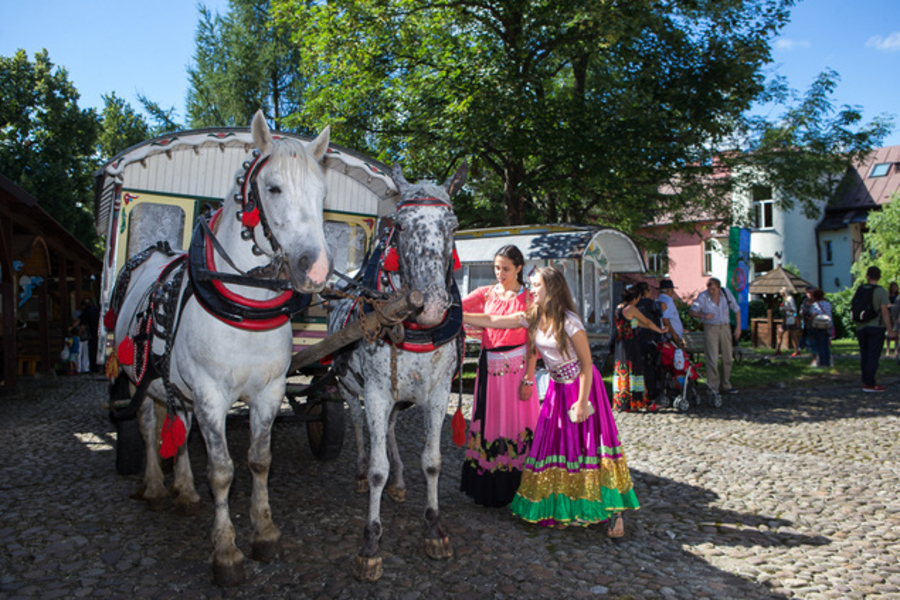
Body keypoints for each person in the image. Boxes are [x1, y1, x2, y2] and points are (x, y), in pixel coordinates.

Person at [463, 266, 640, 534]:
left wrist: (581, 402)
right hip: (558, 389)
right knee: (557, 447)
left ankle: (613, 513)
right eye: (532, 285)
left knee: (587, 447)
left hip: (582, 387)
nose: (531, 289)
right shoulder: (533, 315)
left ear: (551, 289)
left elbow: (586, 363)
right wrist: (458, 315)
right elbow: (495, 320)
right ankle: (564, 508)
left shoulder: (569, 321)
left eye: (536, 285)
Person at [459, 245, 541, 507]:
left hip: (517, 372)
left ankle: (517, 487)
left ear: (519, 268)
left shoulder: (529, 299)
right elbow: (457, 307)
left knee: (516, 425)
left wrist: (529, 378)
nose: (500, 273)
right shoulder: (485, 293)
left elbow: (532, 343)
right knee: (491, 424)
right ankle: (489, 488)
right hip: (489, 370)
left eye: (506, 268)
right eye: (496, 267)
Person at [613, 285, 668, 412]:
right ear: (636, 298)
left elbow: (635, 323)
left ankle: (622, 402)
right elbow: (646, 321)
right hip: (631, 344)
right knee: (634, 370)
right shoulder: (631, 308)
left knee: (623, 371)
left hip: (621, 344)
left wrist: (649, 327)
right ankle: (636, 401)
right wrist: (659, 330)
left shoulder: (618, 308)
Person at [688, 277, 741, 398]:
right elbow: (691, 312)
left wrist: (738, 328)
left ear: (718, 288)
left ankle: (726, 385)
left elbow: (737, 310)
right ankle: (713, 386)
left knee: (727, 357)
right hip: (711, 328)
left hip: (725, 327)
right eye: (709, 289)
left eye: (713, 289)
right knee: (712, 358)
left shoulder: (726, 294)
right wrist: (703, 315)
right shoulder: (703, 296)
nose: (711, 292)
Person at [855, 266, 896, 392]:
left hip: (861, 326)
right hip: (876, 326)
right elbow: (884, 312)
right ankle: (870, 383)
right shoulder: (881, 291)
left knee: (865, 355)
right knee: (873, 355)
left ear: (867, 276)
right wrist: (890, 329)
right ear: (879, 277)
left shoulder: (860, 289)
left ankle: (865, 381)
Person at [635, 282, 665, 405]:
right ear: (646, 291)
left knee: (640, 366)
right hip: (651, 338)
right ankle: (652, 392)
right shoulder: (650, 303)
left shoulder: (633, 305)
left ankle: (641, 392)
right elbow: (663, 307)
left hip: (637, 338)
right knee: (652, 367)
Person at [808, 289, 833, 368]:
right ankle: (827, 362)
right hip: (827, 325)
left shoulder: (815, 305)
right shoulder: (828, 304)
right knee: (826, 344)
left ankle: (822, 363)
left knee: (820, 345)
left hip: (818, 326)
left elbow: (813, 315)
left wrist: (809, 319)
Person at [657, 279, 684, 348]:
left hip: (666, 336)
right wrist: (674, 335)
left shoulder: (659, 299)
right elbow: (665, 319)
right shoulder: (668, 301)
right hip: (671, 337)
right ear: (669, 290)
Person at [774, 287, 800, 357]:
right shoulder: (784, 300)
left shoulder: (790, 299)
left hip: (790, 318)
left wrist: (786, 309)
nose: (780, 294)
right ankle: (778, 350)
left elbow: (794, 310)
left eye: (781, 292)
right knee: (779, 333)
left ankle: (797, 350)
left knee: (792, 335)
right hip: (785, 318)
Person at [798, 286, 815, 357]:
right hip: (806, 322)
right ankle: (804, 348)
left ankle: (812, 350)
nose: (809, 294)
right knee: (806, 334)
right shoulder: (804, 301)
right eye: (808, 293)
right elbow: (801, 311)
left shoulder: (817, 301)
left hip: (815, 322)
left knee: (813, 336)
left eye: (811, 292)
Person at [887, 282, 899, 358]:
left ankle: (896, 351)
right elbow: (886, 304)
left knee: (896, 332)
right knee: (889, 332)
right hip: (889, 315)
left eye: (896, 287)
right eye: (894, 287)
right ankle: (888, 350)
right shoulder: (888, 296)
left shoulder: (898, 296)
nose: (895, 289)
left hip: (896, 315)